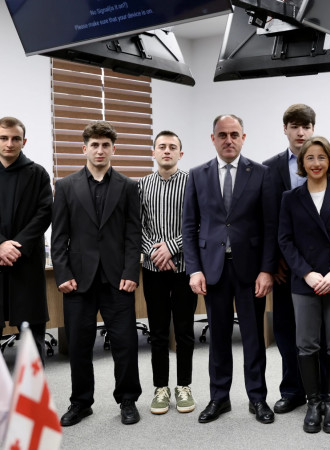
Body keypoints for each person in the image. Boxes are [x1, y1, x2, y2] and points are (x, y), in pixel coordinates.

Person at [182, 114, 277, 425]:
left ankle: (257, 398)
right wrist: (194, 270)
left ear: (243, 137)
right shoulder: (197, 175)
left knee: (253, 337)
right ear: (213, 139)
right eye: (222, 135)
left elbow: (270, 226)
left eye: (234, 134)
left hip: (250, 270)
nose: (229, 140)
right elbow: (189, 227)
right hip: (213, 270)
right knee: (219, 337)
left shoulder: (261, 173)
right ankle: (219, 397)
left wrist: (267, 270)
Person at [51, 121, 142, 426]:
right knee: (78, 344)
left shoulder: (128, 186)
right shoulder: (65, 186)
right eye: (94, 145)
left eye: (105, 145)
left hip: (118, 279)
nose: (100, 150)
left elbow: (133, 234)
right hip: (78, 280)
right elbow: (59, 236)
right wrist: (62, 274)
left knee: (125, 343)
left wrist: (131, 271)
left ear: (113, 149)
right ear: (84, 148)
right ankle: (80, 403)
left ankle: (127, 400)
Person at [262, 104, 330, 414]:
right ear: (285, 129)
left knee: (320, 333)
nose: (300, 132)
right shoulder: (269, 169)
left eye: (306, 126)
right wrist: (274, 263)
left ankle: (321, 392)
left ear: (313, 129)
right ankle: (293, 390)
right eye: (294, 126)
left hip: (322, 269)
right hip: (286, 268)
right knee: (286, 331)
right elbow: (267, 221)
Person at [278, 136, 330, 434]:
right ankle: (313, 403)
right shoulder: (290, 197)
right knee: (307, 343)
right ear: (302, 163)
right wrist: (307, 273)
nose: (316, 163)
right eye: (309, 158)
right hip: (305, 282)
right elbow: (285, 240)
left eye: (321, 157)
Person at [139, 130, 197, 415]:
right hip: (153, 270)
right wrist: (155, 252)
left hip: (185, 268)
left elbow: (199, 223)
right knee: (158, 332)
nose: (166, 151)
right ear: (154, 152)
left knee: (185, 331)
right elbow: (136, 225)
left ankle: (184, 385)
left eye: (172, 147)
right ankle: (160, 388)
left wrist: (171, 248)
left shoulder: (192, 183)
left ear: (180, 154)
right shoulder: (142, 185)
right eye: (161, 146)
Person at [0, 116, 52, 362]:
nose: (9, 143)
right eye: (3, 138)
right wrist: (1, 244)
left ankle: (34, 385)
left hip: (26, 260)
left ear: (24, 141)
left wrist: (16, 247)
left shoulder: (37, 173)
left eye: (15, 139)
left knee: (32, 333)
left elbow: (45, 213)